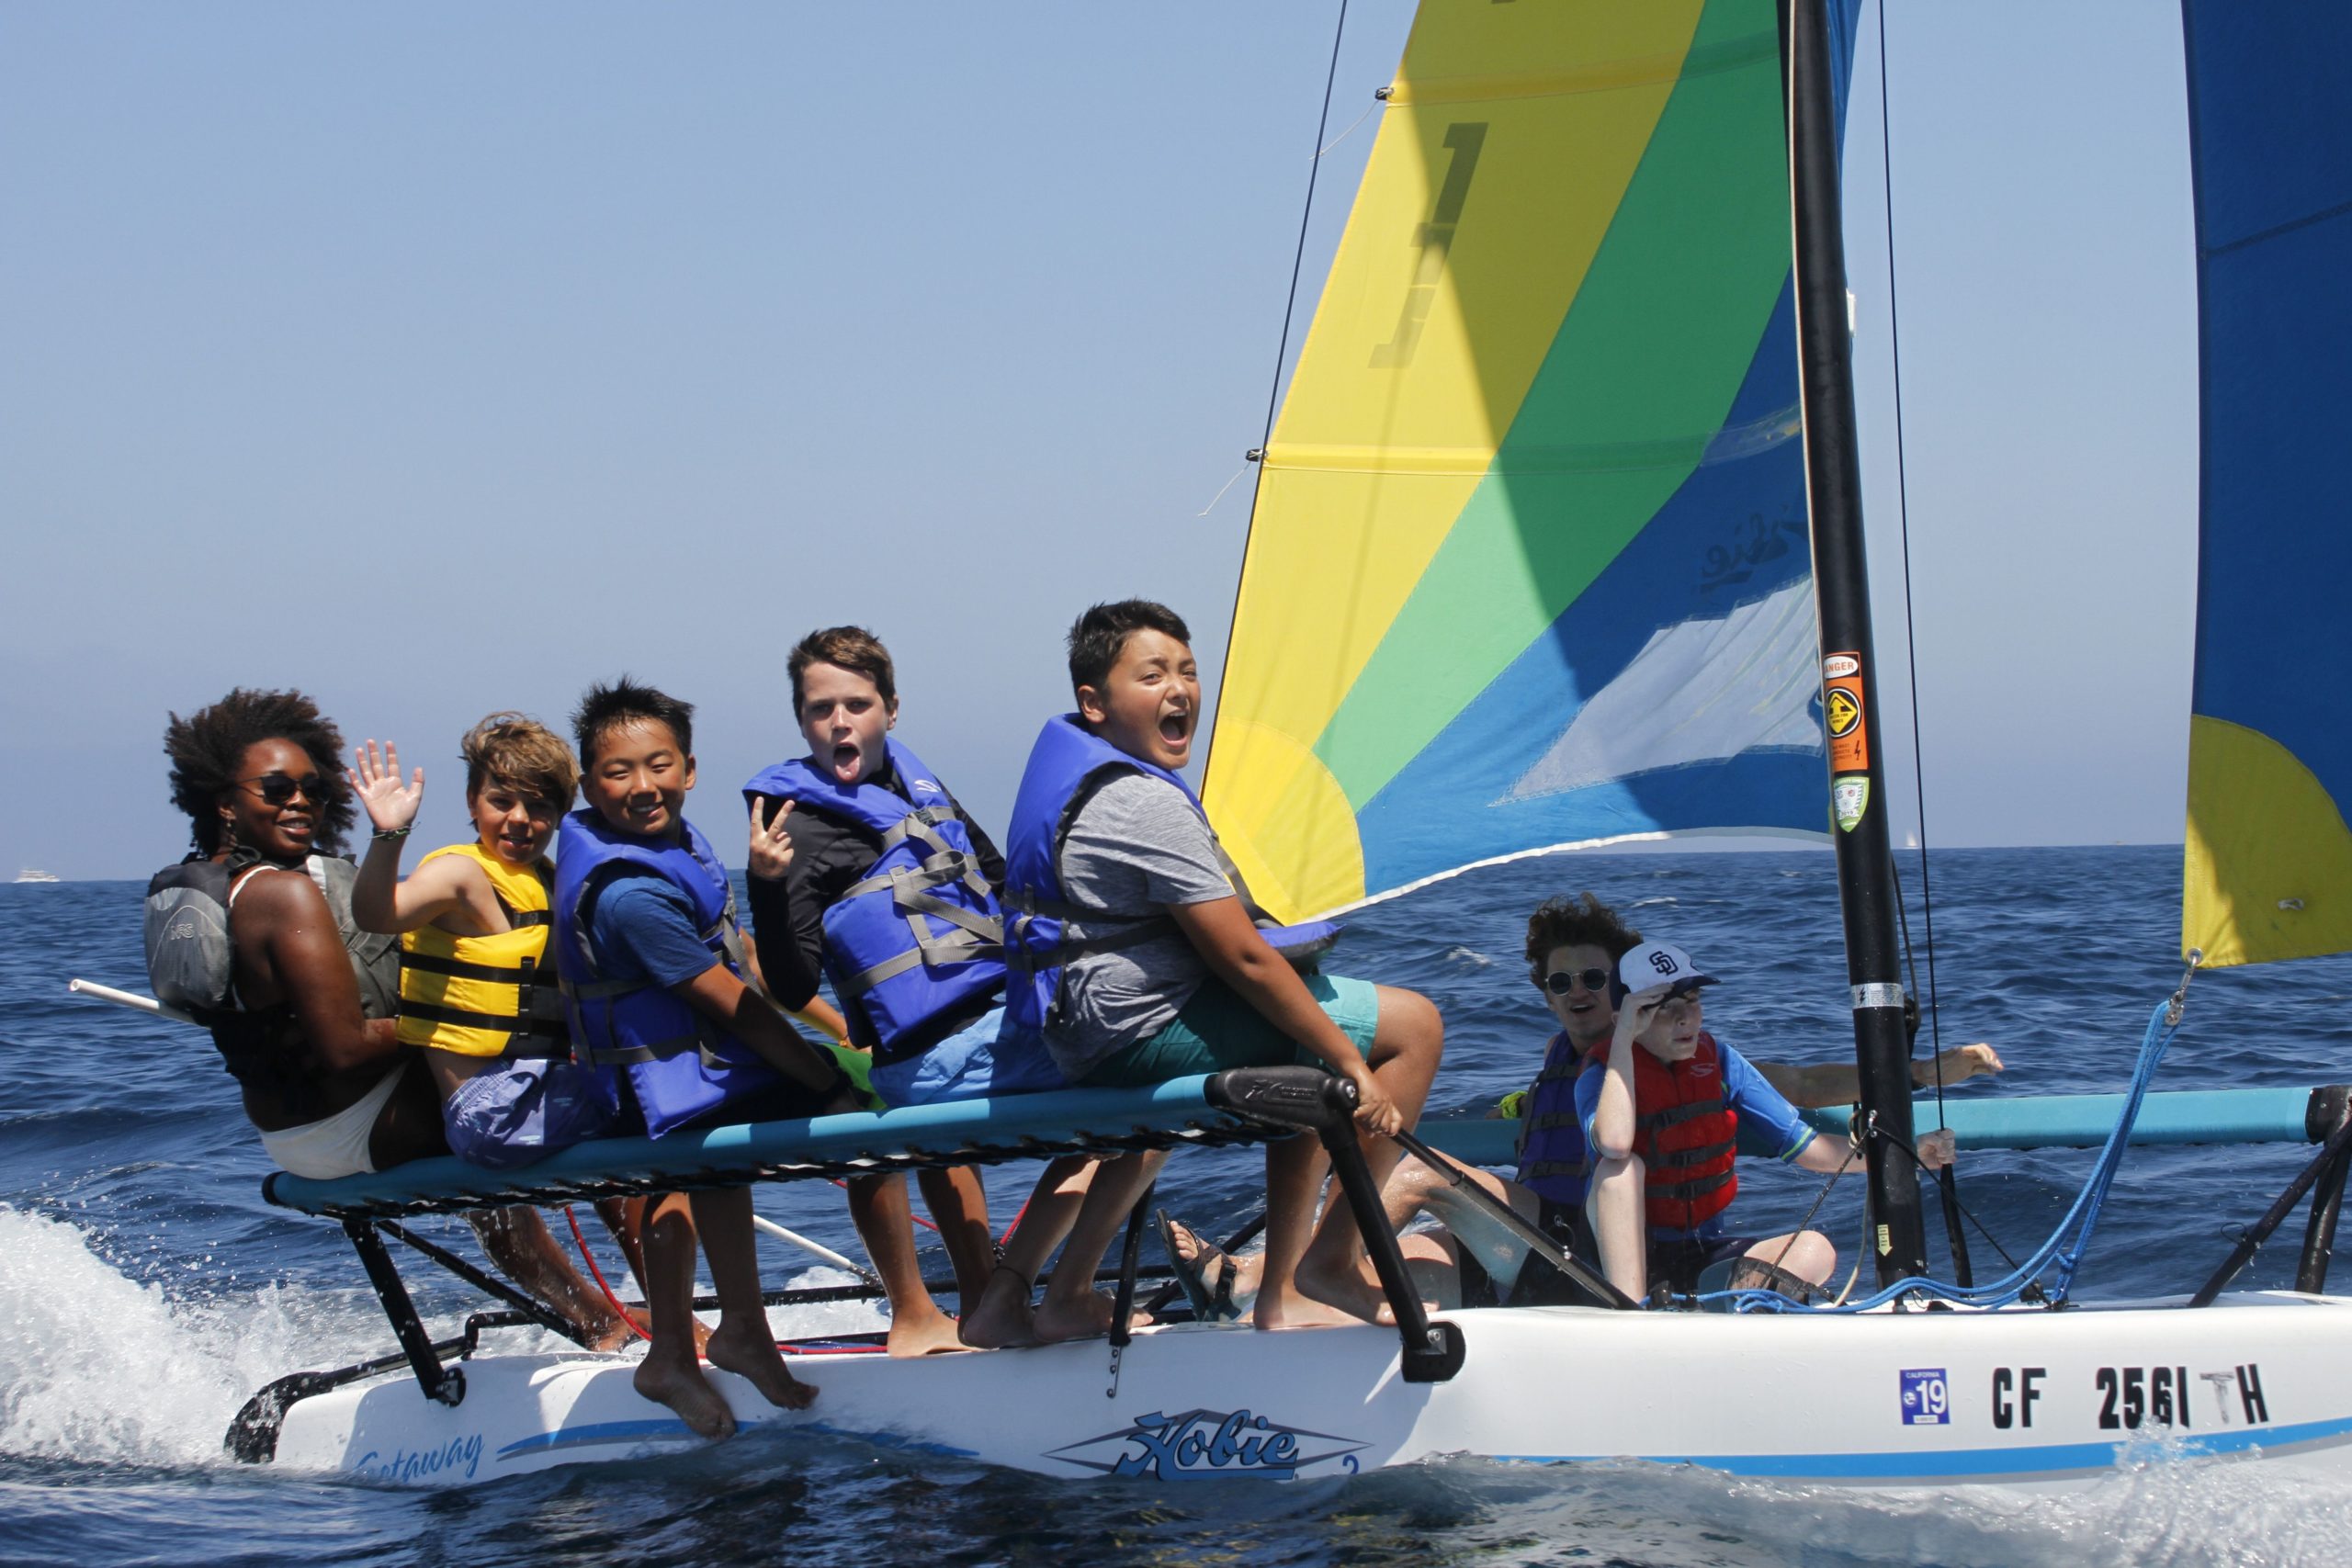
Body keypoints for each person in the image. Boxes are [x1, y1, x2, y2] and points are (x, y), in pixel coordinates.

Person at [1160, 892, 2000, 1315]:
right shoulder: (1570, 1063)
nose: (1574, 992)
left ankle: (1732, 1328)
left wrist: (1919, 1083)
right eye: (1558, 981)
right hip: (1554, 1242)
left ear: (1627, 983)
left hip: (1658, 1254)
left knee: (1810, 1244)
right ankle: (1256, 1282)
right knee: (1419, 1212)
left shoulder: (1696, 1054)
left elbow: (1807, 1094)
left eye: (1593, 978)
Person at [986, 600, 1445, 1336]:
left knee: (1293, 1037)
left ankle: (1243, 1292)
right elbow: (1240, 956)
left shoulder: (1084, 782)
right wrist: (1347, 1060)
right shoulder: (1138, 802)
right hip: (1137, 1030)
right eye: (1153, 674)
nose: (1180, 689)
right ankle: (1322, 1266)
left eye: (1189, 671)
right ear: (1093, 703)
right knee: (1412, 1026)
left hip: (1087, 1027)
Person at [555, 678, 868, 1438]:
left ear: (689, 769)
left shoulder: (677, 844)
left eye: (658, 765)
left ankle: (735, 1334)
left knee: (741, 1148)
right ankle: (920, 1314)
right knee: (874, 1117)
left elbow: (745, 961)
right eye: (617, 772)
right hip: (648, 1089)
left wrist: (840, 1029)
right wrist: (828, 1075)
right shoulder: (629, 893)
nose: (641, 787)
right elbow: (730, 1004)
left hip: (697, 1075)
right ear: (588, 783)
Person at [741, 626, 1059, 1353]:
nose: (841, 722)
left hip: (992, 1026)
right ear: (802, 721)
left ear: (891, 708)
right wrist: (764, 883)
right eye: (822, 709)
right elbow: (790, 983)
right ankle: (1036, 1292)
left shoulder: (916, 787)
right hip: (927, 1055)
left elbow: (1003, 882)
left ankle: (994, 1295)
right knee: (1145, 1063)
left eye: (858, 704)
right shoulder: (801, 827)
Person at [345, 713, 649, 1350]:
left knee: (629, 1118)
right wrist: (389, 833)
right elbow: (377, 912)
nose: (518, 820)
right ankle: (678, 1323)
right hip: (488, 1109)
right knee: (654, 1108)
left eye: (538, 807)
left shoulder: (549, 883)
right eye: (500, 800)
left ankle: (612, 1324)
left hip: (532, 1095)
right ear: (471, 801)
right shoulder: (460, 874)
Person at [147, 689, 441, 1180]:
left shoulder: (214, 889)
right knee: (566, 1098)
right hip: (368, 1124)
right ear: (225, 804)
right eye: (277, 788)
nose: (300, 801)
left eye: (314, 790)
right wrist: (463, 1016)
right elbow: (348, 1050)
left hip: (290, 1142)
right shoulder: (283, 895)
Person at [1581, 940, 1958, 1299]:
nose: (1685, 1018)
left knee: (1816, 1250)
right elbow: (1614, 1142)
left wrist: (1907, 1153)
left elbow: (1809, 1146)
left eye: (1692, 1001)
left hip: (1704, 1253)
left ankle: (1726, 1303)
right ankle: (1632, 1315)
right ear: (1626, 1017)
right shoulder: (1599, 1079)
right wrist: (1623, 1039)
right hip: (1627, 1264)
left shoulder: (1723, 1063)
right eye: (1662, 1007)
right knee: (1620, 1170)